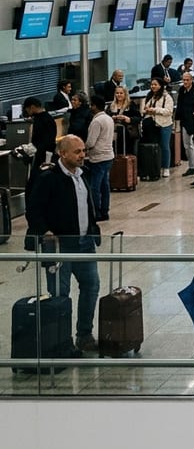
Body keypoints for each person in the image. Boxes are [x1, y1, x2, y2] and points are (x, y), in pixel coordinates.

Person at [26, 135, 101, 353]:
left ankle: (84, 335)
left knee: (91, 286)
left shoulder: (82, 174)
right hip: (60, 246)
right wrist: (45, 232)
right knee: (60, 293)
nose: (82, 155)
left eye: (83, 151)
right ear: (63, 153)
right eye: (77, 152)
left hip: (85, 243)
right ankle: (61, 340)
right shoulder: (48, 177)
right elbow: (34, 209)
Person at [84, 95, 114, 222]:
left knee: (95, 186)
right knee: (105, 185)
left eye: (91, 105)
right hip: (108, 155)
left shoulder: (96, 121)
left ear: (95, 106)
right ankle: (105, 210)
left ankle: (96, 212)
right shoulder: (108, 118)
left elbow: (91, 142)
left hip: (98, 157)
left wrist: (83, 149)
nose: (90, 107)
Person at [143, 77, 175, 178]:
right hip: (153, 125)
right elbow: (145, 109)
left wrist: (155, 110)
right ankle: (156, 166)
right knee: (156, 147)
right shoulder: (152, 96)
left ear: (161, 86)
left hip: (165, 124)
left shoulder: (167, 97)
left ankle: (166, 167)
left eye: (155, 84)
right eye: (152, 84)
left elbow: (169, 111)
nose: (153, 86)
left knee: (165, 146)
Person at [175, 72, 194, 177]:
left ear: (191, 80)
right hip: (185, 120)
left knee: (192, 144)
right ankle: (192, 166)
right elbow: (180, 105)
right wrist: (177, 119)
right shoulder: (181, 90)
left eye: (187, 80)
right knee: (187, 145)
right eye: (183, 80)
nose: (185, 82)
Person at [107, 85, 142, 156]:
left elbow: (139, 118)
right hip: (113, 134)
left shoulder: (131, 104)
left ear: (125, 94)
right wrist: (112, 117)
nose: (119, 95)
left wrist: (128, 119)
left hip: (128, 135)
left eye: (121, 93)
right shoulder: (111, 105)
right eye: (117, 93)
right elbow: (106, 116)